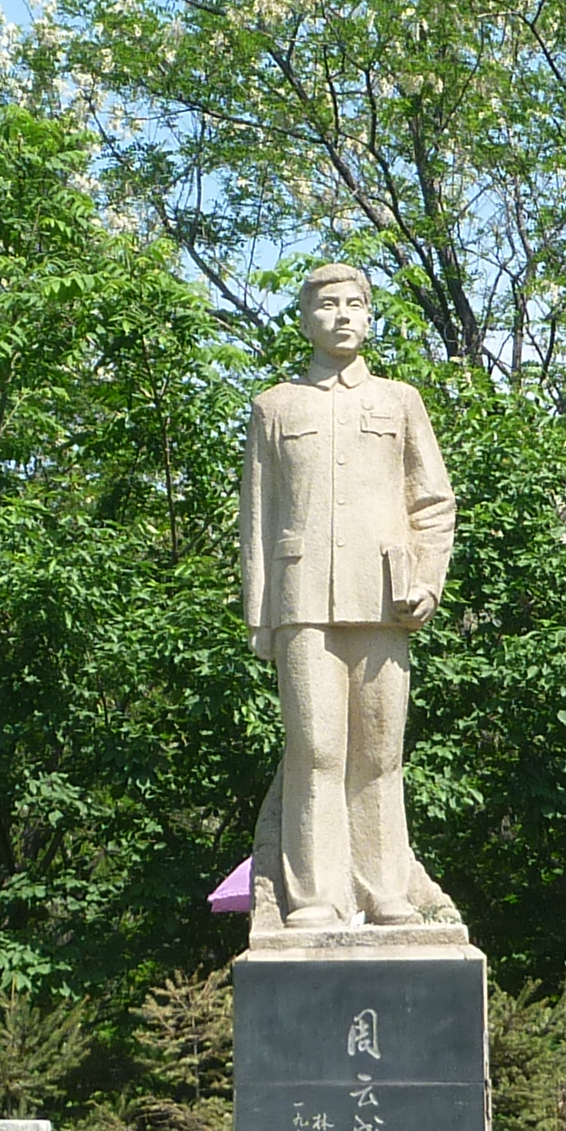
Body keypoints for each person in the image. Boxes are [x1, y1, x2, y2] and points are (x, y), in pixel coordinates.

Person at [241, 262, 464, 931]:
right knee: (315, 750)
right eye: (328, 305)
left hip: (383, 600)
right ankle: (315, 896)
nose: (342, 315)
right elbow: (256, 516)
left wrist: (426, 579)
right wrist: (258, 616)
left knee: (378, 751)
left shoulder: (399, 401)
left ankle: (384, 890)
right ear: (305, 319)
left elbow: (433, 502)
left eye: (354, 304)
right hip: (300, 600)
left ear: (370, 317)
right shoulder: (274, 407)